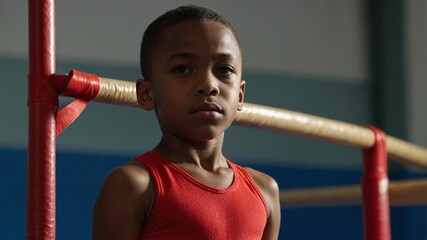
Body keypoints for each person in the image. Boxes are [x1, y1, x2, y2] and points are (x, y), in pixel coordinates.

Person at [92, 5, 281, 240]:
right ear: (147, 94)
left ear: (240, 95)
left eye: (224, 70)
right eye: (182, 69)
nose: (209, 85)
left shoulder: (264, 190)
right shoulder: (134, 185)